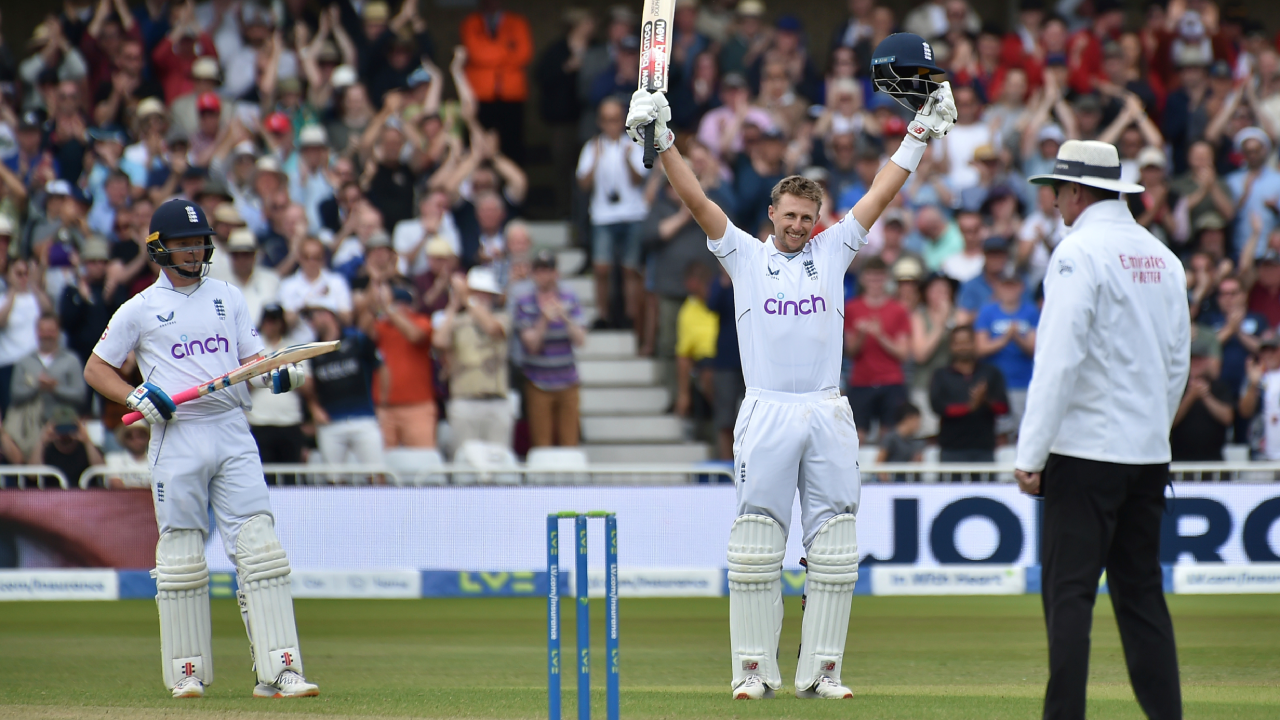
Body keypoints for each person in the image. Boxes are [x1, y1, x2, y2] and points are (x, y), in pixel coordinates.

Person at [626, 31, 957, 700]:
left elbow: (883, 190)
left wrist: (919, 132)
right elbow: (696, 201)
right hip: (769, 407)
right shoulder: (743, 253)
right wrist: (662, 141)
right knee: (754, 546)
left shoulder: (835, 249)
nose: (800, 224)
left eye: (809, 216)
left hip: (827, 408)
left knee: (834, 549)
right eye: (791, 214)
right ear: (772, 212)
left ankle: (822, 673)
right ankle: (753, 671)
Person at [83, 198, 318, 699]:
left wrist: (277, 373)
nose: (194, 250)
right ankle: (186, 672)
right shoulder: (139, 308)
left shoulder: (228, 295)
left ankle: (281, 670)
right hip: (178, 432)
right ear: (159, 248)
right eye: (183, 242)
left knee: (259, 548)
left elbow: (251, 361)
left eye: (198, 240)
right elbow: (96, 368)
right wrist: (135, 394)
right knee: (183, 554)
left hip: (231, 427)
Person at [1014, 140, 1189, 720]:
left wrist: (1031, 453)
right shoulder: (1164, 258)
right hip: (1146, 455)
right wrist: (1152, 433)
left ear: (1078, 192)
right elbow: (1177, 364)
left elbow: (1058, 360)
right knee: (1142, 598)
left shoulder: (1076, 252)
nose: (1056, 203)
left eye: (1058, 192)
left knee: (1069, 597)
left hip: (1084, 454)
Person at [434, 267, 512, 449]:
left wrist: (467, 298)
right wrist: (454, 306)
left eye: (487, 294)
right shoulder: (457, 321)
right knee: (465, 459)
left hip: (496, 400)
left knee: (497, 458)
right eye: (478, 293)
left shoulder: (502, 317)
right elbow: (439, 341)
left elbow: (492, 329)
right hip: (464, 399)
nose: (483, 298)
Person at [515, 251, 586, 447]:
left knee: (570, 442)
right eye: (539, 270)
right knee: (542, 442)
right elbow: (531, 345)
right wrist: (544, 320)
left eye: (548, 270)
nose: (543, 275)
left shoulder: (570, 297)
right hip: (538, 381)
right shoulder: (524, 301)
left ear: (556, 273)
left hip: (568, 380)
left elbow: (581, 339)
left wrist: (565, 318)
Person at [301, 301, 385, 466]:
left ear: (328, 314)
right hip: (331, 422)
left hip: (364, 417)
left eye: (313, 316)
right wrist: (314, 407)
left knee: (375, 475)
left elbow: (382, 369)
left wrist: (382, 404)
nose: (310, 323)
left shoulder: (358, 339)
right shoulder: (310, 350)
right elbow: (308, 386)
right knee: (334, 480)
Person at [843, 256, 910, 442]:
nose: (875, 283)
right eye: (871, 277)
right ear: (863, 279)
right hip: (861, 382)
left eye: (879, 278)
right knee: (857, 437)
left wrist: (880, 335)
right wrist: (862, 335)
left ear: (886, 279)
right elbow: (851, 351)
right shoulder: (852, 308)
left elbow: (903, 353)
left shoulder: (898, 309)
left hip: (891, 382)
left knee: (889, 437)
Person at [7, 314, 88, 459]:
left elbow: (80, 395)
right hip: (30, 428)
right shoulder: (24, 361)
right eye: (43, 330)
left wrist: (54, 389)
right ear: (36, 331)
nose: (46, 334)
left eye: (51, 330)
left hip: (64, 428)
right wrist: (37, 387)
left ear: (58, 332)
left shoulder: (71, 360)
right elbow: (15, 394)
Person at [366, 286, 436, 449]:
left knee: (422, 461)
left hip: (417, 407)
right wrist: (373, 305)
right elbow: (365, 332)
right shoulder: (381, 327)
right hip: (384, 408)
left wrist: (389, 309)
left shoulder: (422, 321)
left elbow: (415, 336)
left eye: (399, 304)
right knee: (383, 465)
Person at [929, 325, 1008, 468]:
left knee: (983, 491)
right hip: (951, 450)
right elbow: (938, 407)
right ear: (951, 346)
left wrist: (985, 401)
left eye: (966, 342)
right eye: (958, 343)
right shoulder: (941, 375)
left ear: (974, 343)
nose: (962, 347)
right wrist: (970, 407)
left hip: (984, 449)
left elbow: (1003, 408)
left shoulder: (991, 373)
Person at [974, 267, 1039, 439]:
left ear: (1021, 287)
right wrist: (1005, 338)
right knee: (998, 433)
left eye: (1013, 286)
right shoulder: (988, 312)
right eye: (1005, 285)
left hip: (1022, 383)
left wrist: (1016, 337)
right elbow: (980, 348)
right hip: (996, 384)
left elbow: (1034, 349)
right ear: (998, 287)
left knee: (1023, 432)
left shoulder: (1031, 312)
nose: (1009, 290)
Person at [245, 305, 308, 473]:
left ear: (282, 323)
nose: (270, 325)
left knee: (291, 478)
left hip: (290, 421)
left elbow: (308, 387)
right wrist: (266, 371)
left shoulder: (294, 347)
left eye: (275, 321)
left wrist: (288, 371)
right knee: (262, 476)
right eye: (267, 321)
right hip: (259, 421)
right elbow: (244, 385)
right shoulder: (252, 350)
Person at [1170, 331, 1233, 461]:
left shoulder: (1219, 386)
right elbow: (1170, 422)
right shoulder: (1176, 385)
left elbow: (1228, 418)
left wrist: (1206, 396)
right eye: (1192, 358)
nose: (1195, 362)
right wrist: (1191, 397)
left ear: (1207, 361)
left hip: (1213, 459)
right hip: (1180, 459)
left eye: (1199, 358)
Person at [875, 403, 925, 483]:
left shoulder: (916, 441)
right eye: (917, 420)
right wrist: (887, 483)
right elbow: (879, 461)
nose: (919, 424)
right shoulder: (890, 438)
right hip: (891, 479)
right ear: (908, 418)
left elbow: (918, 464)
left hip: (907, 479)